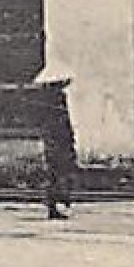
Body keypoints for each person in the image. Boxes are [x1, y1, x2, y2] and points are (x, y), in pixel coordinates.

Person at [34, 60, 78, 220]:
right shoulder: (53, 101)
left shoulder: (52, 99)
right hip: (57, 140)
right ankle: (56, 204)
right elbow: (58, 122)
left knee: (58, 172)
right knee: (59, 172)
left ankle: (57, 203)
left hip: (57, 139)